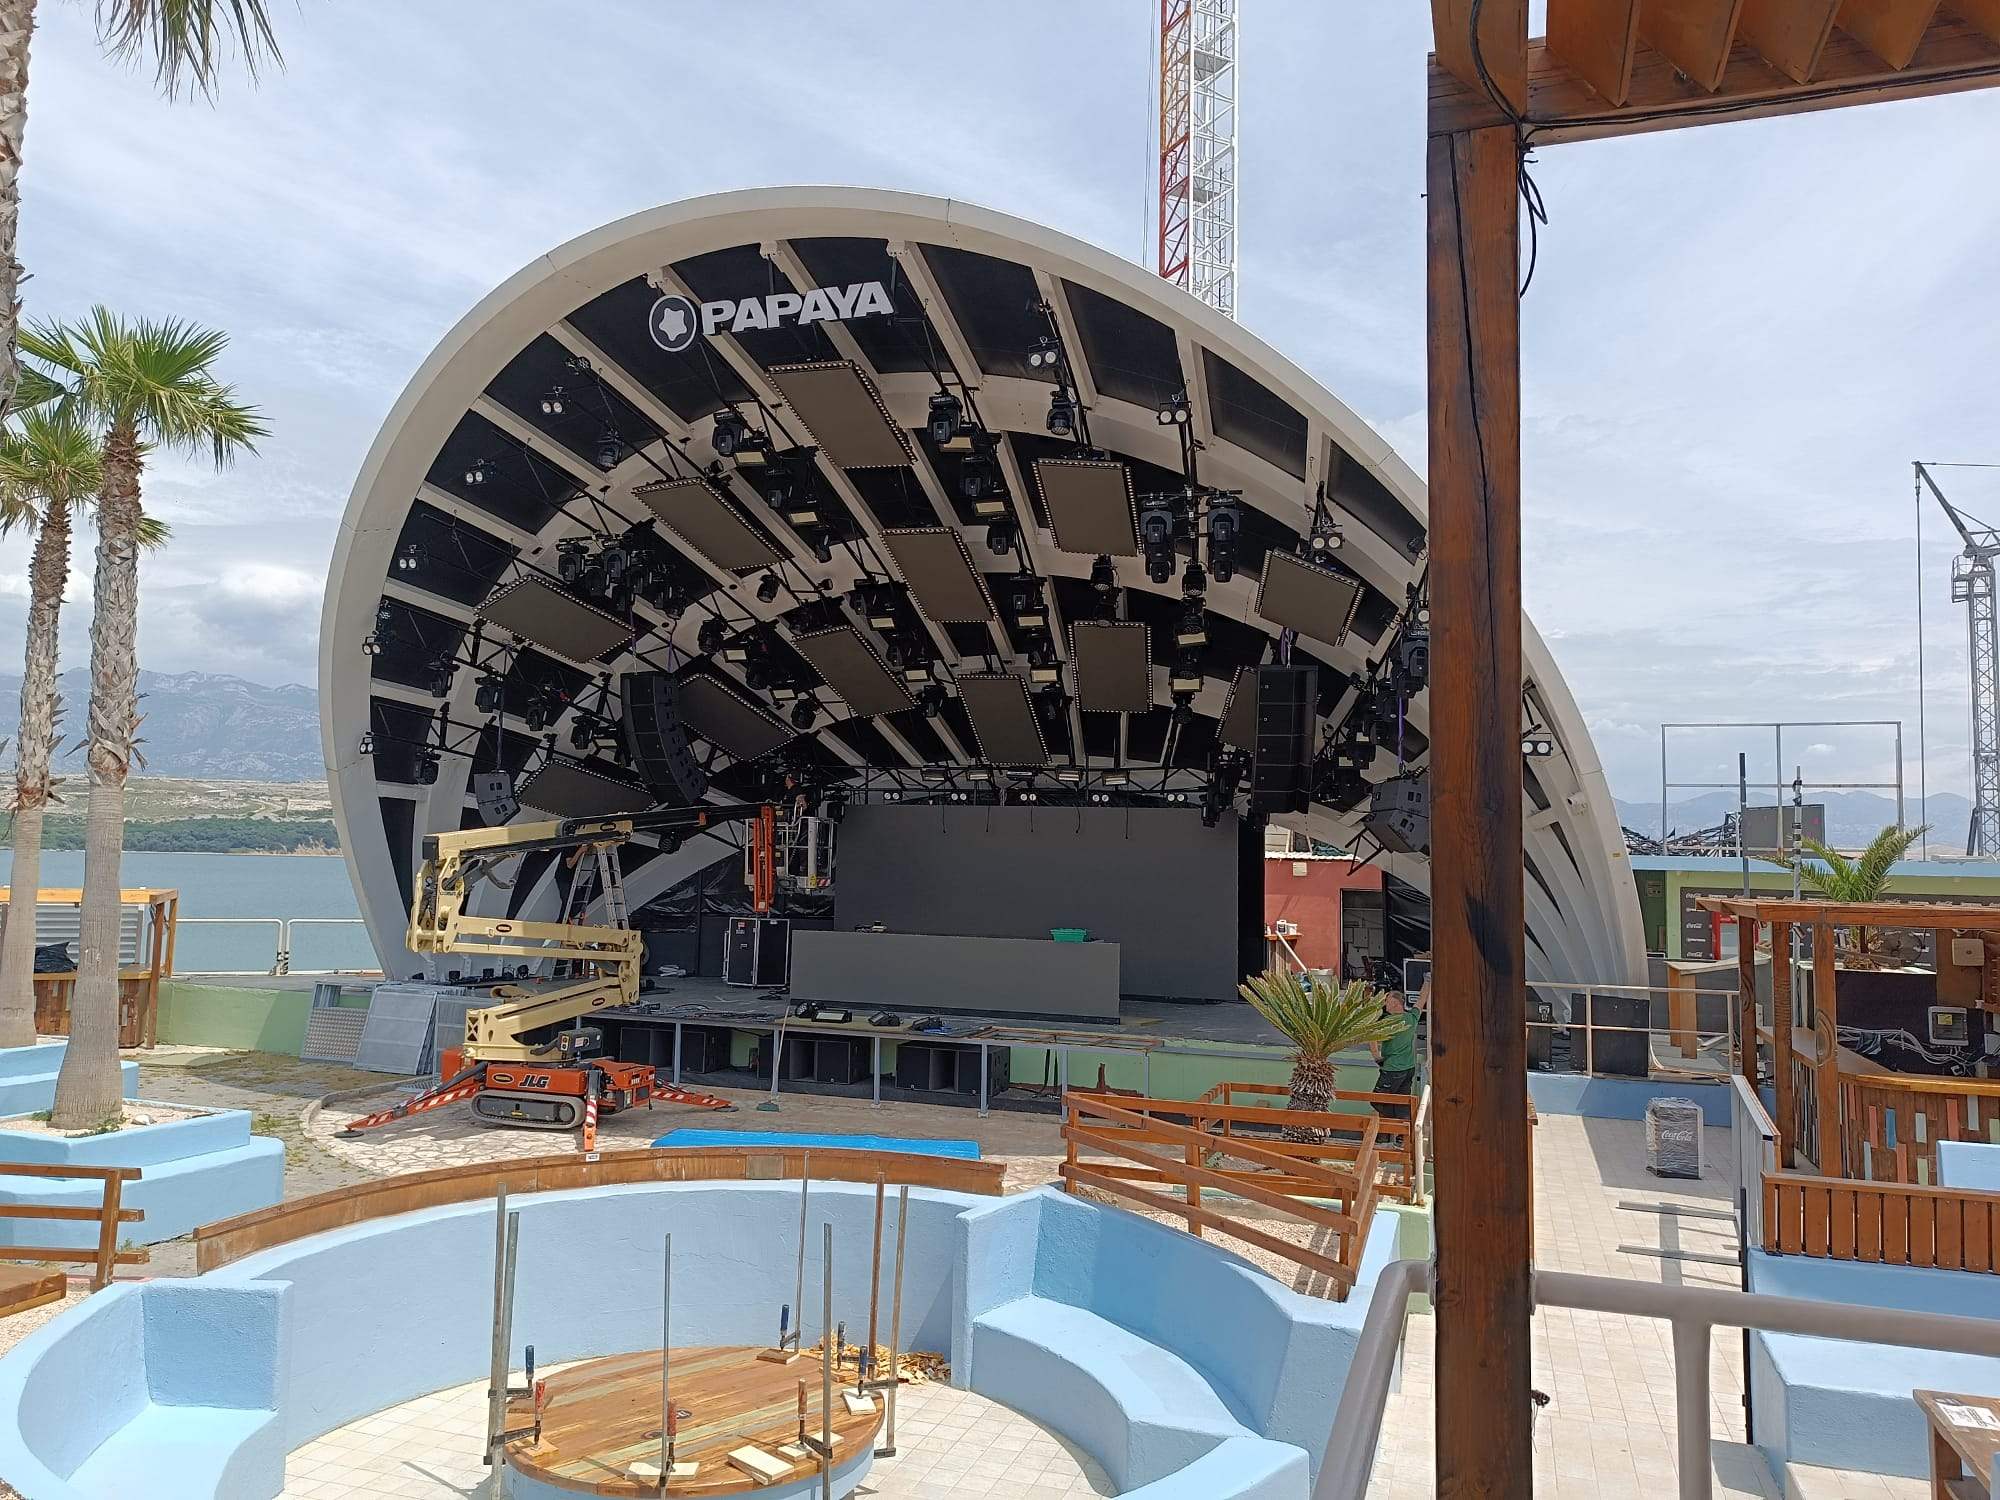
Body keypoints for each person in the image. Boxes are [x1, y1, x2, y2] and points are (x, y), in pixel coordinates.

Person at [1372, 975, 1427, 1119]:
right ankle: (1403, 1131)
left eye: (1387, 1001)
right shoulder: (1412, 1018)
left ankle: (1385, 1130)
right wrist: (1428, 981)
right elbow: (1421, 1000)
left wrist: (1377, 1056)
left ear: (1395, 1003)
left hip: (1392, 1069)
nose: (1385, 1005)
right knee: (1402, 1103)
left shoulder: (1387, 1021)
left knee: (1379, 1102)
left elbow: (1371, 1036)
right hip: (1408, 1069)